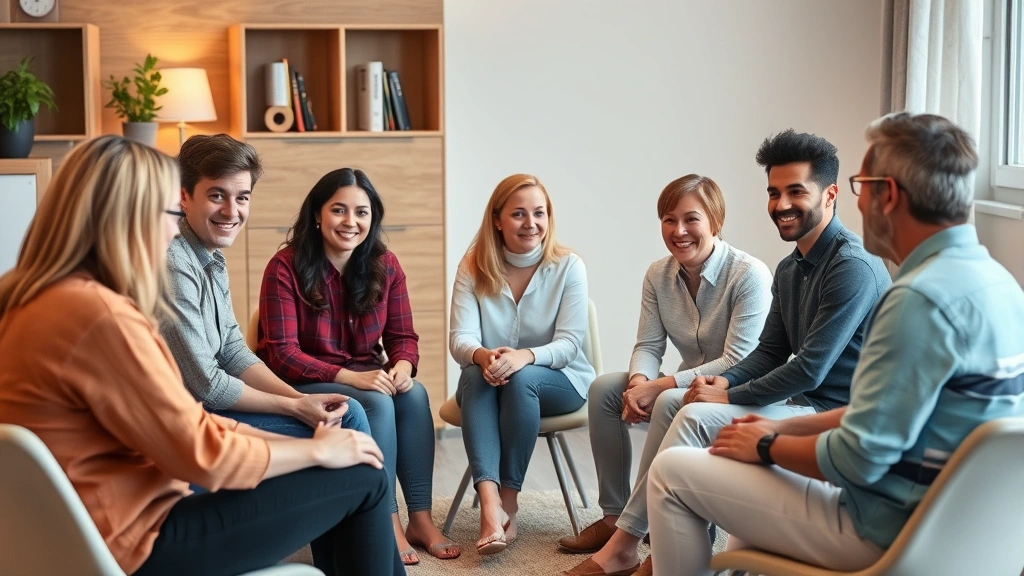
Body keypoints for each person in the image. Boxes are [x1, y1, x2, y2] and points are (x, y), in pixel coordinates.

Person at [0, 136, 403, 576]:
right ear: (126, 217)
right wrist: (315, 453)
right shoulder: (101, 316)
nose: (173, 230)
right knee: (364, 478)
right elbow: (202, 454)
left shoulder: (31, 298)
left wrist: (304, 434)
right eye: (168, 212)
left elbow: (188, 423)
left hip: (75, 532)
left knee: (349, 459)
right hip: (137, 538)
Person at [647, 112, 1024, 575]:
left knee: (671, 474)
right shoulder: (999, 284)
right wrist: (772, 432)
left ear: (889, 195)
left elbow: (858, 459)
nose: (857, 200)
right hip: (972, 536)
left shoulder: (917, 300)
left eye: (861, 184)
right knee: (740, 467)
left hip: (892, 530)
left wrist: (765, 446)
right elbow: (889, 413)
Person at [569, 131, 892, 576]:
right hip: (800, 399)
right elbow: (770, 351)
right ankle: (652, 546)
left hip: (829, 411)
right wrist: (725, 382)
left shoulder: (851, 267)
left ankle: (627, 543)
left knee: (695, 413)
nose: (781, 204)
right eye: (774, 193)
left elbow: (811, 370)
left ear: (831, 194)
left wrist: (726, 396)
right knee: (681, 402)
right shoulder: (792, 266)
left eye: (796, 191)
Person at [561, 175, 772, 575]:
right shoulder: (659, 275)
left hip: (740, 392)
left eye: (691, 219)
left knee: (673, 399)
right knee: (607, 388)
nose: (679, 231)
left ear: (715, 220)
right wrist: (640, 382)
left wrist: (660, 385)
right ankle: (614, 515)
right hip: (686, 385)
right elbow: (648, 346)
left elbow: (739, 360)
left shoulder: (749, 275)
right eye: (668, 219)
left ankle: (639, 538)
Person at [256, 167, 458, 565]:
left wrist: (401, 365)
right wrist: (351, 377)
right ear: (317, 214)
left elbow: (403, 337)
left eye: (362, 212)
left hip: (368, 373)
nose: (351, 222)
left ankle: (420, 517)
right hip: (300, 383)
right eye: (339, 210)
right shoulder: (285, 266)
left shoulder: (385, 265)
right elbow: (283, 354)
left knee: (414, 394)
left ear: (372, 218)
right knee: (377, 403)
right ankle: (386, 520)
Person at [161, 134, 370, 456]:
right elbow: (208, 386)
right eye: (217, 195)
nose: (232, 211)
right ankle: (370, 507)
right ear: (184, 197)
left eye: (242, 197)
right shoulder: (175, 263)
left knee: (342, 410)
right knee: (350, 416)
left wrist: (299, 399)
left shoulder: (210, 255)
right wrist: (292, 407)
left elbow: (232, 350)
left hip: (207, 407)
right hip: (186, 424)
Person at [450, 173, 595, 556]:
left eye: (539, 213)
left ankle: (508, 499)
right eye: (518, 214)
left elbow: (568, 346)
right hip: (490, 379)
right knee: (474, 376)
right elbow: (460, 338)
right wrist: (484, 356)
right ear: (497, 219)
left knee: (520, 379)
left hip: (559, 382)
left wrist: (523, 357)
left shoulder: (569, 267)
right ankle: (489, 502)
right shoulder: (472, 266)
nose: (530, 223)